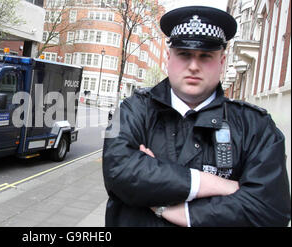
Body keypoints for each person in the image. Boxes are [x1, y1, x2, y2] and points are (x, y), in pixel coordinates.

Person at [102, 5, 291, 227]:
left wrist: (178, 211)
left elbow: (270, 209)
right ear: (168, 57)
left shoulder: (254, 126)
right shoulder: (133, 110)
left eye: (205, 56)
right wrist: (215, 185)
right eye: (184, 54)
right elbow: (119, 170)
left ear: (222, 61)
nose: (193, 66)